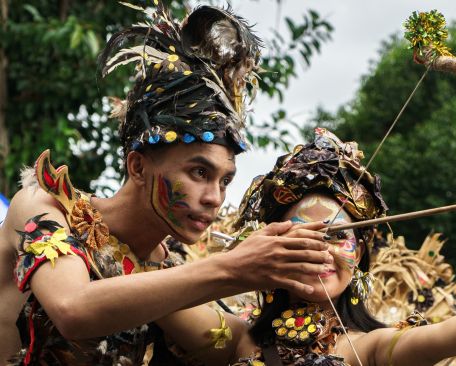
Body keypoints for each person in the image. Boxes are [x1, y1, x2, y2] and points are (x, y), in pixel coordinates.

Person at [0, 4, 333, 364]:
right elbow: (72, 309)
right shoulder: (44, 205)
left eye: (225, 181)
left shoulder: (164, 270)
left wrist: (304, 294)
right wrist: (235, 268)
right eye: (200, 173)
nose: (214, 198)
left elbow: (235, 346)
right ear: (138, 166)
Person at [155, 128, 456, 365]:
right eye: (302, 234)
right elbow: (158, 294)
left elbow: (440, 338)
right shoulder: (238, 340)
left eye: (337, 236)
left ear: (360, 252)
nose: (321, 250)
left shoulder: (367, 350)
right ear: (270, 245)